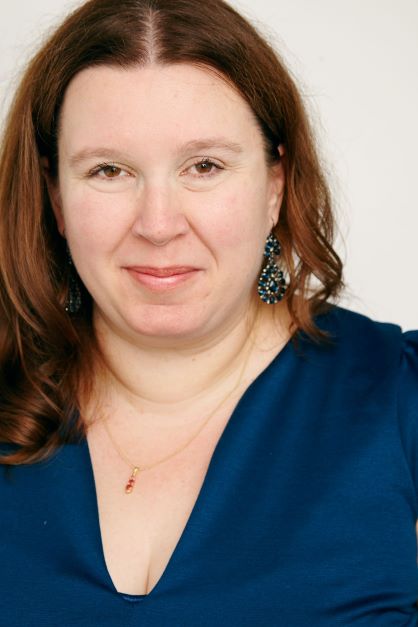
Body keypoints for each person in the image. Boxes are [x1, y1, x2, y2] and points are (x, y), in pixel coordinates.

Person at [0, 0, 416, 624]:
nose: (158, 225)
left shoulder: (401, 398)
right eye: (109, 170)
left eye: (205, 166)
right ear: (56, 197)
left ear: (275, 187)